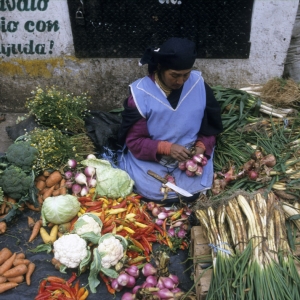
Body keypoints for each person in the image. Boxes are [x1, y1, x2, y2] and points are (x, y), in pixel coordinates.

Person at [117, 37, 223, 203]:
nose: (180, 81)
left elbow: (209, 128)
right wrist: (167, 148)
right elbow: (135, 141)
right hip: (152, 159)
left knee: (194, 188)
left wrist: (201, 147)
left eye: (185, 75)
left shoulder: (198, 85)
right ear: (160, 67)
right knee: (153, 191)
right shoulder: (140, 94)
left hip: (188, 156)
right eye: (174, 75)